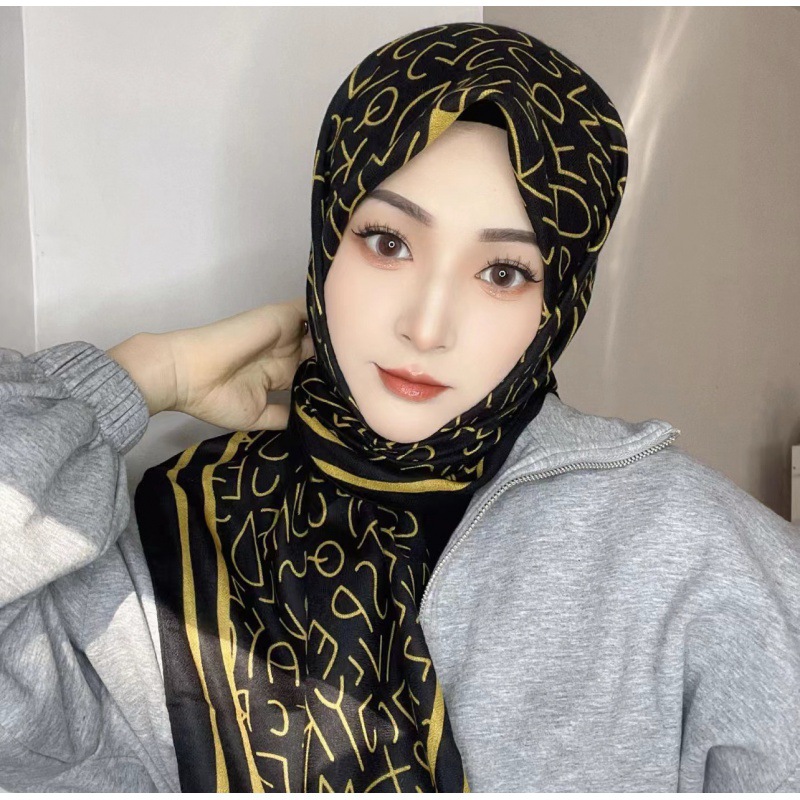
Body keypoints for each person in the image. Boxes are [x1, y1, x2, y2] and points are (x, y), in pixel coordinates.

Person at [1, 20, 799, 794]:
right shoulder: (168, 540)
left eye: (503, 272)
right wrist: (138, 376)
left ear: (559, 303)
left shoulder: (696, 559)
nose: (426, 326)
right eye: (388, 242)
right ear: (328, 236)